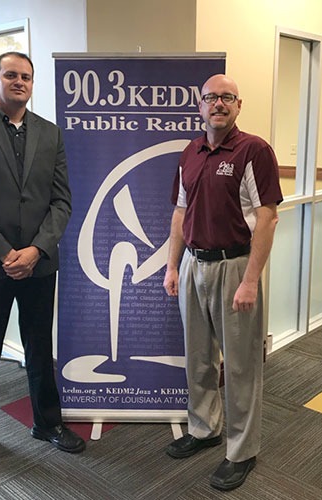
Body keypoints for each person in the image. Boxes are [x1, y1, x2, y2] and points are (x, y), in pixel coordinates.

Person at [0, 51, 85, 478]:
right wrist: (6, 253)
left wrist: (37, 250)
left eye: (26, 76)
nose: (19, 82)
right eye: (11, 75)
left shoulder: (50, 132)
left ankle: (47, 423)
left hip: (39, 264)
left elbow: (61, 201)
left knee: (40, 349)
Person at [163, 74, 283, 491]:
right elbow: (180, 214)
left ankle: (241, 451)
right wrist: (172, 266)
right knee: (197, 358)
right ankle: (203, 429)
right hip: (194, 264)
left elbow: (267, 218)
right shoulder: (190, 153)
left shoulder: (254, 150)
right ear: (200, 106)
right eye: (211, 98)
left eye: (226, 97)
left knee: (241, 363)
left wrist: (251, 281)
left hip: (236, 267)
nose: (218, 103)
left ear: (238, 104)